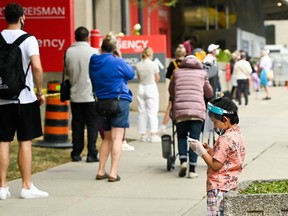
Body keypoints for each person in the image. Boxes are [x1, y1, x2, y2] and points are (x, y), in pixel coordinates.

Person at [0, 3, 48, 199]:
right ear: (22, 17)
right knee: (24, 141)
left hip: (1, 98)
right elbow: (36, 66)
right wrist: (39, 91)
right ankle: (26, 186)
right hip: (24, 99)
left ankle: (1, 187)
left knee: (3, 142)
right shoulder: (29, 39)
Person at [188, 97, 246, 215]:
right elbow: (227, 157)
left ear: (225, 120)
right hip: (231, 185)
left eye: (215, 122)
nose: (214, 126)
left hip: (218, 188)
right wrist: (210, 150)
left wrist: (200, 151)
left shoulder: (224, 139)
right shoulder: (237, 135)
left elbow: (216, 165)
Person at [89, 32, 135, 182]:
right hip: (119, 101)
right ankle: (113, 173)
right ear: (115, 49)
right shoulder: (117, 61)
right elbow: (131, 74)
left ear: (101, 47)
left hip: (102, 103)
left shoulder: (93, 61)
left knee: (107, 138)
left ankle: (100, 170)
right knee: (117, 138)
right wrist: (120, 58)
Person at [169, 55, 213, 178]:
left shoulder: (177, 72)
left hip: (181, 111)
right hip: (197, 111)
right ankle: (192, 170)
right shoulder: (202, 73)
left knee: (182, 136)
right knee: (195, 140)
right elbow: (209, 92)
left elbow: (171, 90)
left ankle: (183, 161)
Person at [64, 26, 100, 162]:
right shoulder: (94, 52)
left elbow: (67, 72)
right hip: (90, 95)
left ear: (75, 37)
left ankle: (76, 152)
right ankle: (92, 153)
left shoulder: (69, 52)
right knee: (92, 125)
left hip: (75, 94)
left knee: (77, 124)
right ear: (88, 38)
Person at [135, 47, 161, 143]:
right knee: (152, 112)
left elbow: (138, 78)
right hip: (151, 87)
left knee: (142, 112)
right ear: (151, 54)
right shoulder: (154, 64)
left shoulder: (138, 65)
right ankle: (153, 134)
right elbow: (157, 77)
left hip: (141, 87)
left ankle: (143, 134)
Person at [159, 44, 186, 132]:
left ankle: (163, 125)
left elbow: (168, 76)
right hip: (185, 87)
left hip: (175, 88)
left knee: (170, 107)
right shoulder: (186, 63)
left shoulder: (173, 64)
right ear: (184, 53)